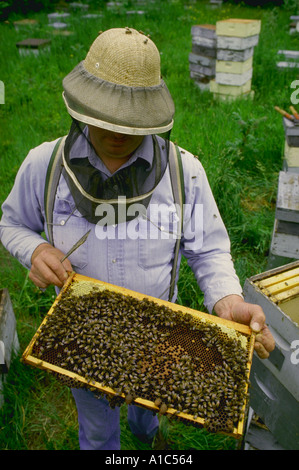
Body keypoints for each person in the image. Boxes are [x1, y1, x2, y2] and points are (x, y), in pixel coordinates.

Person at [0, 27, 274, 450]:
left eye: (131, 122)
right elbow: (11, 224)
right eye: (107, 118)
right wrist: (34, 248)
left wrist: (226, 299)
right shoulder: (44, 165)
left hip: (159, 341)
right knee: (95, 433)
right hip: (84, 339)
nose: (118, 133)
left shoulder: (186, 173)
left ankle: (148, 438)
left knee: (148, 417)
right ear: (83, 107)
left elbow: (210, 250)